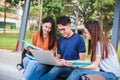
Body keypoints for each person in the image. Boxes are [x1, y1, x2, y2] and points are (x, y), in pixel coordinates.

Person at [39, 16, 86, 80]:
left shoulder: (79, 39)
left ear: (69, 25)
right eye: (59, 30)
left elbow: (82, 61)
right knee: (41, 67)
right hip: (61, 66)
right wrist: (52, 59)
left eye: (63, 29)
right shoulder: (60, 40)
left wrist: (66, 62)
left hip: (73, 68)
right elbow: (58, 57)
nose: (61, 32)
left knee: (57, 69)